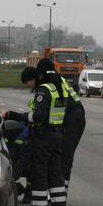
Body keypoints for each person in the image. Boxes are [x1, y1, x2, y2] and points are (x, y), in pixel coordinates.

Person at [5, 62, 67, 206]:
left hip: (43, 136)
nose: (28, 86)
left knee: (39, 173)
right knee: (55, 174)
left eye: (28, 82)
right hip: (57, 135)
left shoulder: (44, 90)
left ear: (35, 77)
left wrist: (18, 116)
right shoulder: (59, 88)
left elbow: (38, 116)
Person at [35, 60, 86, 189]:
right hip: (75, 117)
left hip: (73, 119)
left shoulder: (51, 82)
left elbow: (56, 108)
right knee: (61, 157)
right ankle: (59, 191)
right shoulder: (59, 79)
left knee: (64, 157)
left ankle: (61, 192)